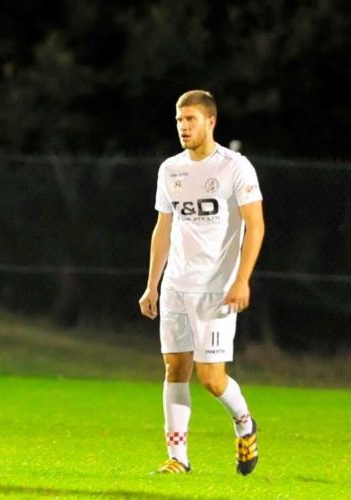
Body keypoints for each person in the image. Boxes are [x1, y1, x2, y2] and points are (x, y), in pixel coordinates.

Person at [138, 90, 263, 476]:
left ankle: (245, 424)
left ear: (211, 121)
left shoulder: (235, 167)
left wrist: (242, 280)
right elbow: (163, 228)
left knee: (211, 378)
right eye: (179, 120)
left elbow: (256, 226)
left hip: (216, 290)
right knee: (174, 370)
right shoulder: (170, 169)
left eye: (190, 119)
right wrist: (152, 284)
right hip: (176, 286)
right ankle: (178, 458)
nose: (183, 127)